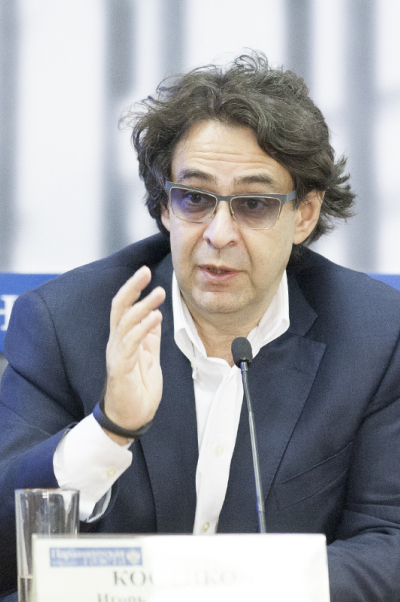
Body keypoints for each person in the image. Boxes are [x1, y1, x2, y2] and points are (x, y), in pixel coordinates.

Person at [1, 53, 400, 602]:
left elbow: (389, 542)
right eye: (194, 198)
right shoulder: (66, 322)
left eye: (253, 204)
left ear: (304, 215)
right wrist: (109, 429)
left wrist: (240, 589)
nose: (218, 234)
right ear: (165, 206)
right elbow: (6, 549)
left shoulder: (374, 335)